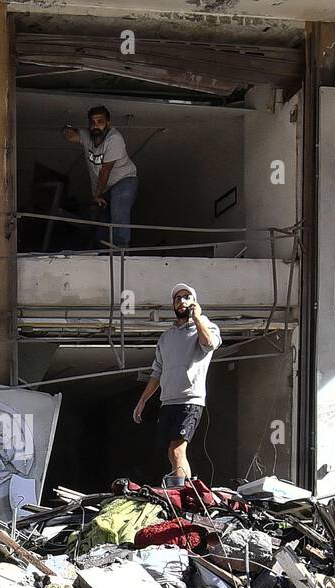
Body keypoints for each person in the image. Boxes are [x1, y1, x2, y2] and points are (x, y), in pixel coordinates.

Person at [132, 283, 221, 481]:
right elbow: (157, 372)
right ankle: (186, 490)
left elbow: (209, 345)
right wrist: (142, 401)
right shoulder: (166, 337)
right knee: (172, 453)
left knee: (177, 450)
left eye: (186, 297)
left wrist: (197, 318)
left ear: (194, 302)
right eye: (177, 298)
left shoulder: (206, 326)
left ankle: (180, 494)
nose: (181, 301)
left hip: (190, 400)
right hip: (168, 402)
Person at [62, 105, 138, 249]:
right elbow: (71, 135)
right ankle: (103, 253)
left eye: (100, 121)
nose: (96, 125)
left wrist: (97, 195)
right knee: (102, 227)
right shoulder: (87, 136)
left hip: (125, 181)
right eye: (93, 122)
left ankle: (121, 249)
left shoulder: (114, 139)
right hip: (105, 190)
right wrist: (66, 128)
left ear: (108, 123)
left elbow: (105, 170)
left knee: (118, 209)